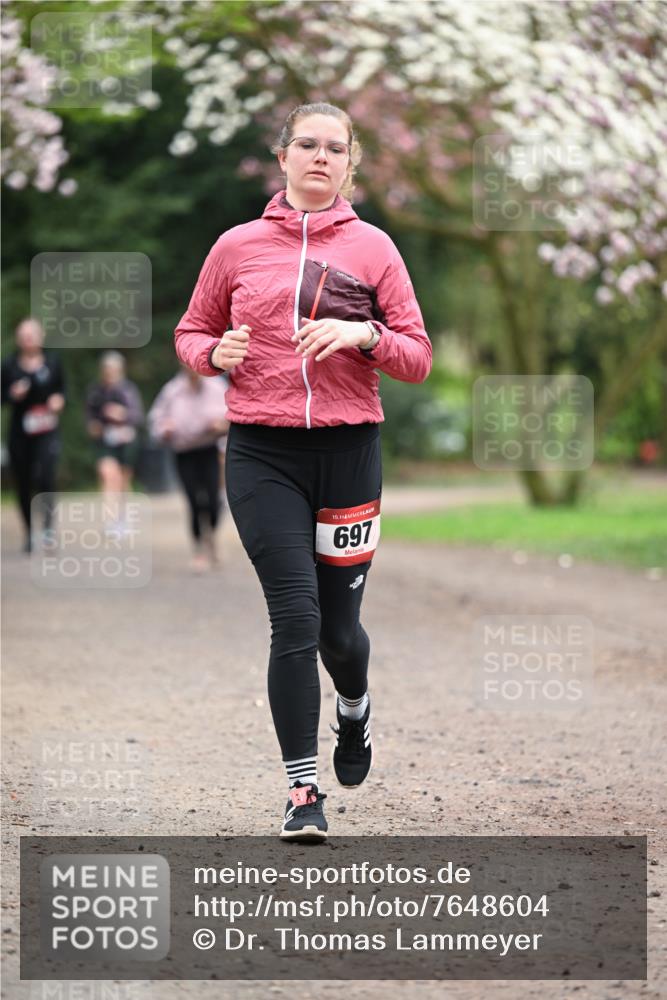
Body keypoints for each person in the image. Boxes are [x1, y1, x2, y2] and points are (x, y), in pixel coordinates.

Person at [174, 101, 432, 842]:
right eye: (308, 144)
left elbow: (416, 356)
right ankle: (301, 791)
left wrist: (364, 334)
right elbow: (192, 330)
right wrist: (210, 354)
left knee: (339, 634)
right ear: (282, 156)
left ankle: (355, 710)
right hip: (262, 452)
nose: (321, 157)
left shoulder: (375, 249)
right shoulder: (237, 246)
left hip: (349, 454)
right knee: (295, 616)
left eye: (335, 148)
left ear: (350, 163)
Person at [148, 365, 229, 572]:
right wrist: (164, 429)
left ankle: (210, 535)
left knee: (214, 500)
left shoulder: (217, 387)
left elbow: (232, 414)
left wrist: (221, 425)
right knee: (193, 500)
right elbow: (156, 419)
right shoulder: (172, 390)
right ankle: (199, 549)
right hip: (184, 452)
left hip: (209, 449)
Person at [1, 317, 66, 552]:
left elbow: (62, 389)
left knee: (46, 476)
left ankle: (48, 529)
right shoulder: (9, 366)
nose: (28, 340)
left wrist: (58, 400)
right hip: (20, 432)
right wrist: (12, 395)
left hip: (46, 430)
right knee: (23, 481)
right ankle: (29, 532)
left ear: (41, 337)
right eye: (24, 336)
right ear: (18, 340)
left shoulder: (53, 362)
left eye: (32, 335)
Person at [85, 351, 144, 534]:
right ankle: (110, 521)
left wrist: (122, 414)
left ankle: (123, 518)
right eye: (107, 369)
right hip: (106, 441)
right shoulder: (96, 391)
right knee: (108, 475)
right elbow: (89, 417)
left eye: (113, 369)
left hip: (126, 441)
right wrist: (93, 426)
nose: (110, 372)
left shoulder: (128, 390)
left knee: (123, 480)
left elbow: (138, 416)